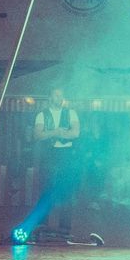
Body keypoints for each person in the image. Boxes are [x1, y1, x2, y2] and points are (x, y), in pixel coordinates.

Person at [31, 86, 83, 241]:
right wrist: (55, 132)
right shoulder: (42, 115)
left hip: (66, 155)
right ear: (50, 97)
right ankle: (42, 226)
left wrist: (60, 133)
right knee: (47, 189)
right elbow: (38, 135)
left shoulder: (71, 113)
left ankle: (64, 228)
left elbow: (76, 132)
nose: (59, 98)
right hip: (49, 154)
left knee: (67, 190)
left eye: (61, 95)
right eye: (56, 95)